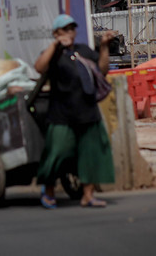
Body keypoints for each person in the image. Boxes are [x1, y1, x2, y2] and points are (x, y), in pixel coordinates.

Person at [34, 14, 115, 209]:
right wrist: (55, 44)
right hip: (62, 115)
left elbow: (102, 70)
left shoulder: (83, 50)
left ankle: (88, 195)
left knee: (91, 153)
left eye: (72, 28)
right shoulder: (53, 53)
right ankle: (49, 190)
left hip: (88, 113)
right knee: (58, 152)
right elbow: (39, 67)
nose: (70, 32)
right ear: (56, 33)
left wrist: (103, 46)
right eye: (65, 29)